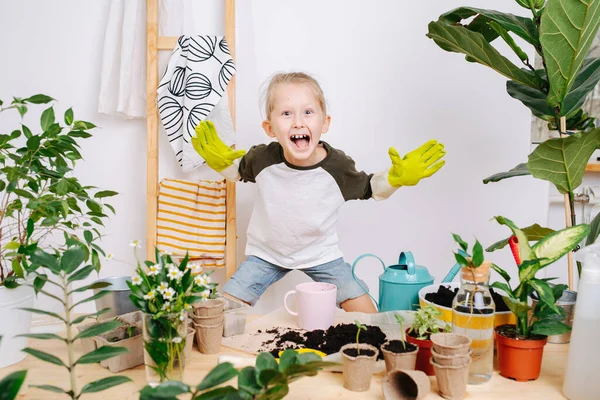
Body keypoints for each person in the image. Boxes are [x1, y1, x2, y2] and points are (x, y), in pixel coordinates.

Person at [192, 72, 445, 313]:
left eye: (308, 112)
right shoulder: (263, 158)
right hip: (266, 255)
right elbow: (238, 172)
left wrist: (395, 179)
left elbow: (369, 188)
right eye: (286, 113)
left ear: (325, 123)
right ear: (270, 128)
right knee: (219, 313)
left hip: (321, 255)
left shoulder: (337, 167)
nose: (298, 122)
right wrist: (220, 163)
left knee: (369, 317)